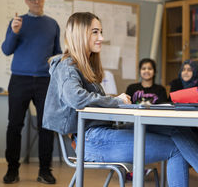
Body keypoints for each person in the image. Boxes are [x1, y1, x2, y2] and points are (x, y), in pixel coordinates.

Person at [43, 12, 198, 187]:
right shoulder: (66, 65)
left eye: (101, 31)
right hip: (92, 141)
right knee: (176, 149)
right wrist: (116, 101)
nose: (101, 37)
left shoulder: (84, 65)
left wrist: (114, 99)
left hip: (102, 133)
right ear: (80, 33)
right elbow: (76, 98)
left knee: (178, 130)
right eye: (95, 32)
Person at [2, 0, 62, 184]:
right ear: (26, 0)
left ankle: (45, 170)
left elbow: (56, 53)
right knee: (14, 125)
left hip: (45, 81)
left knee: (46, 125)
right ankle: (12, 170)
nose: (37, 2)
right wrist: (14, 31)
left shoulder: (52, 24)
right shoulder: (18, 22)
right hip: (20, 79)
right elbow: (6, 50)